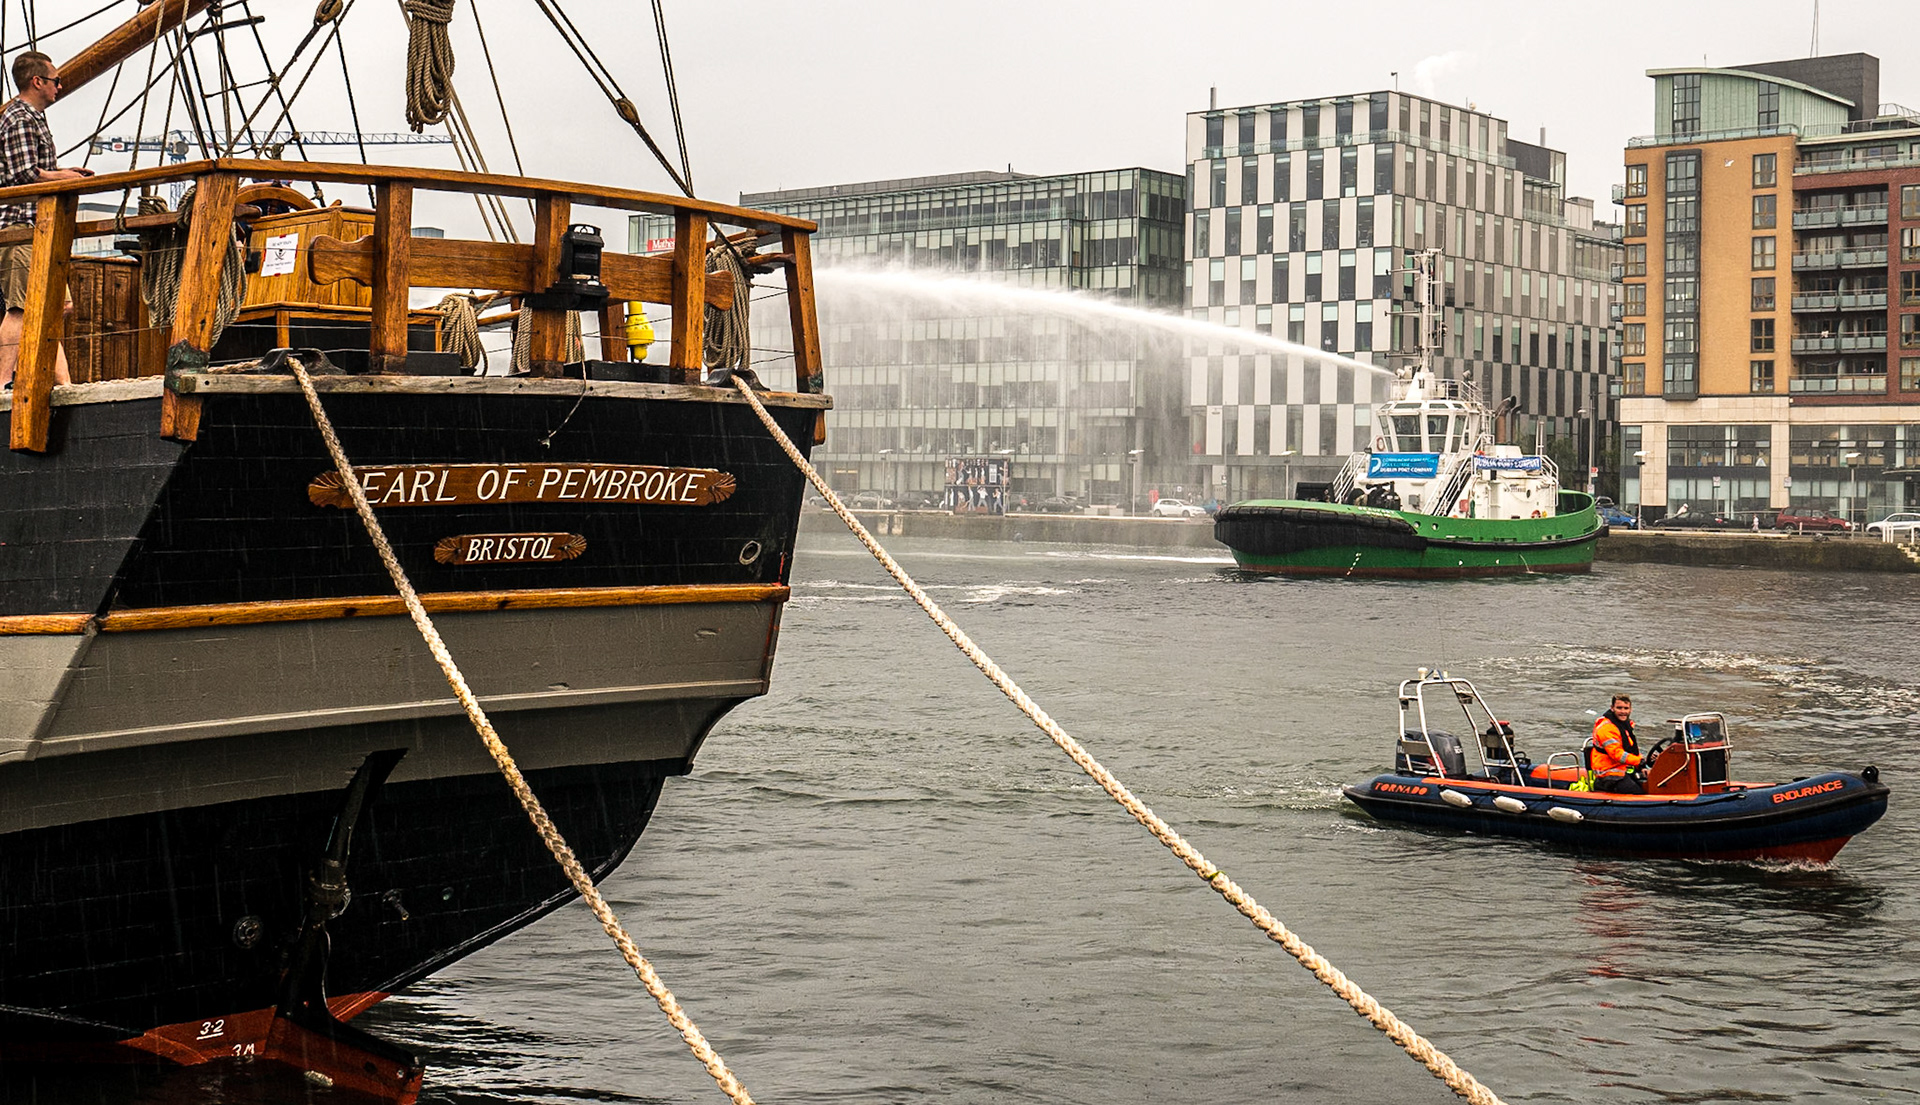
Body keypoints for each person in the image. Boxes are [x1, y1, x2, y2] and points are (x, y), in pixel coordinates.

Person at [0, 50, 92, 391]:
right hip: (18, 225)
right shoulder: (19, 118)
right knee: (22, 308)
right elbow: (23, 174)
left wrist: (63, 174)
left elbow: (33, 171)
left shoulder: (34, 118)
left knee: (58, 304)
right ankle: (1, 383)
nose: (60, 86)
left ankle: (63, 384)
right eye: (55, 81)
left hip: (38, 224)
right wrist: (64, 177)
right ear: (37, 81)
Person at [1588, 694, 1644, 794]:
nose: (1623, 711)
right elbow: (1617, 754)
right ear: (1612, 708)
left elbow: (1630, 749)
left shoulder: (1625, 726)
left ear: (1630, 709)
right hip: (1609, 773)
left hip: (1623, 769)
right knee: (1637, 792)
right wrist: (1639, 761)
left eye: (1626, 708)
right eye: (1619, 708)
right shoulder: (1607, 729)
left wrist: (1644, 761)